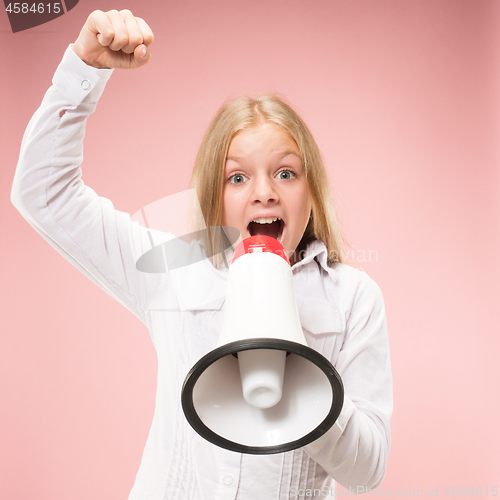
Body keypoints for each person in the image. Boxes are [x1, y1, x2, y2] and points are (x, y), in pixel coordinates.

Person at [11, 9, 393, 500]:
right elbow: (44, 194)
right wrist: (85, 67)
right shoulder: (170, 269)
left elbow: (369, 471)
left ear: (312, 192)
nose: (264, 194)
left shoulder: (353, 298)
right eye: (238, 177)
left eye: (286, 173)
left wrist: (303, 368)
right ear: (214, 197)